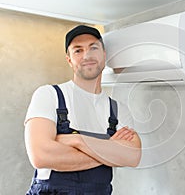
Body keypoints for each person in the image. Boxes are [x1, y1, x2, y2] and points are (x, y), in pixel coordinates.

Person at [24, 25, 142, 194]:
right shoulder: (49, 95)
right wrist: (109, 150)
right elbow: (41, 155)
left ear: (104, 55)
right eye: (78, 50)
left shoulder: (118, 109)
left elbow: (133, 156)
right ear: (69, 60)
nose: (87, 55)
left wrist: (76, 140)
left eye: (93, 48)